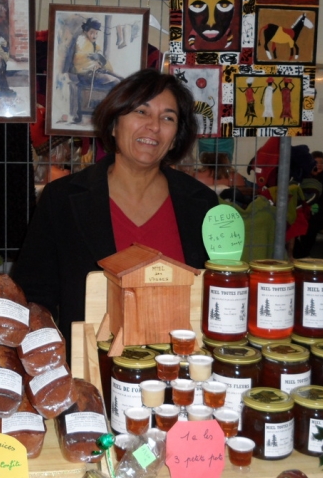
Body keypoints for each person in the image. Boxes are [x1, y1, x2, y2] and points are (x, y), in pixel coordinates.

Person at [12, 68, 219, 350]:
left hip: (182, 374)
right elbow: (34, 297)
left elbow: (218, 292)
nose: (154, 126)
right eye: (141, 112)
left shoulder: (201, 203)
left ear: (176, 136)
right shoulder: (62, 199)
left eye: (167, 117)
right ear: (113, 124)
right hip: (92, 375)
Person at [293, 150, 323, 258]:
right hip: (310, 210)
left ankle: (303, 254)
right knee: (298, 222)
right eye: (316, 162)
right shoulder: (307, 175)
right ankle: (300, 252)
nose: (319, 165)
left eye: (321, 162)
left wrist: (312, 205)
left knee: (310, 226)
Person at [67, 17, 122, 88]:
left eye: (96, 33)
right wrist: (94, 64)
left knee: (122, 79)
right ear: (85, 32)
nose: (94, 36)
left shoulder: (94, 45)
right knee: (116, 81)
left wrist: (100, 59)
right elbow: (78, 62)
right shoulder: (81, 41)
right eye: (92, 33)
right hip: (85, 75)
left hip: (95, 72)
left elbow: (103, 61)